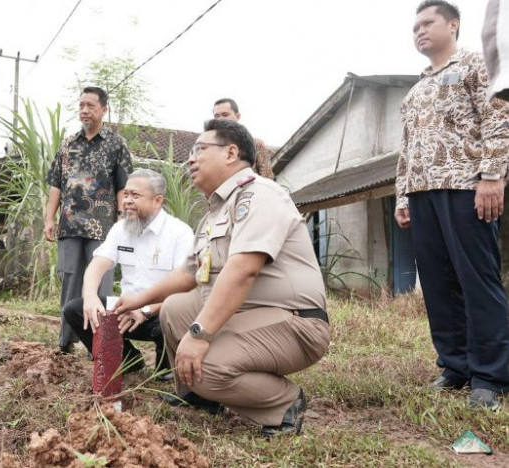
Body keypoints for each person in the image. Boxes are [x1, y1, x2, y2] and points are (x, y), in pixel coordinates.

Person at [116, 119, 330, 437]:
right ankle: (199, 396)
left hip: (295, 323)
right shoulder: (214, 212)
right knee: (174, 308)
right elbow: (189, 273)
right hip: (249, 314)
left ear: (231, 153)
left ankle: (284, 404)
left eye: (200, 149)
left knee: (203, 366)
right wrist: (140, 300)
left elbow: (243, 270)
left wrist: (199, 336)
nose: (191, 158)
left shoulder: (259, 195)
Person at [395, 0, 509, 410]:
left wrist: (492, 177)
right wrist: (402, 195)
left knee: (477, 279)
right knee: (439, 285)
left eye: (428, 22)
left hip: (466, 187)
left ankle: (491, 376)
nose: (419, 31)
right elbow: (406, 148)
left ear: (453, 25)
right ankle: (456, 367)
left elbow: (498, 118)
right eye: (415, 27)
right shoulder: (416, 89)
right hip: (422, 194)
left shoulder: (478, 66)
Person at [63, 169, 194, 379]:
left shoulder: (180, 233)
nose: (127, 201)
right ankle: (129, 359)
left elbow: (185, 288)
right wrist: (90, 297)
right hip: (125, 311)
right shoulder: (120, 229)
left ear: (157, 201)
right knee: (74, 310)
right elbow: (98, 264)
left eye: (136, 196)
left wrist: (145, 310)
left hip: (158, 312)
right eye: (126, 195)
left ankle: (166, 367)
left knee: (172, 316)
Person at [45, 86, 134, 353]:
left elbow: (123, 187)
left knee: (101, 284)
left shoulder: (116, 144)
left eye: (91, 106)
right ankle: (65, 341)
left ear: (104, 109)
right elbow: (55, 185)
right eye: (81, 105)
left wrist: (121, 220)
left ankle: (99, 343)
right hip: (70, 225)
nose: (84, 110)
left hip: (103, 227)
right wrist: (49, 218)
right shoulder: (68, 144)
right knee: (70, 279)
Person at [212, 98, 273, 179]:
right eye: (216, 116)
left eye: (225, 115)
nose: (220, 119)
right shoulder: (211, 148)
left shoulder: (256, 145)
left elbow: (268, 179)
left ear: (237, 116)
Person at [482, 0, 509, 101]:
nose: (421, 32)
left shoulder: (472, 63)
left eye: (428, 23)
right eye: (416, 29)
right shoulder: (421, 82)